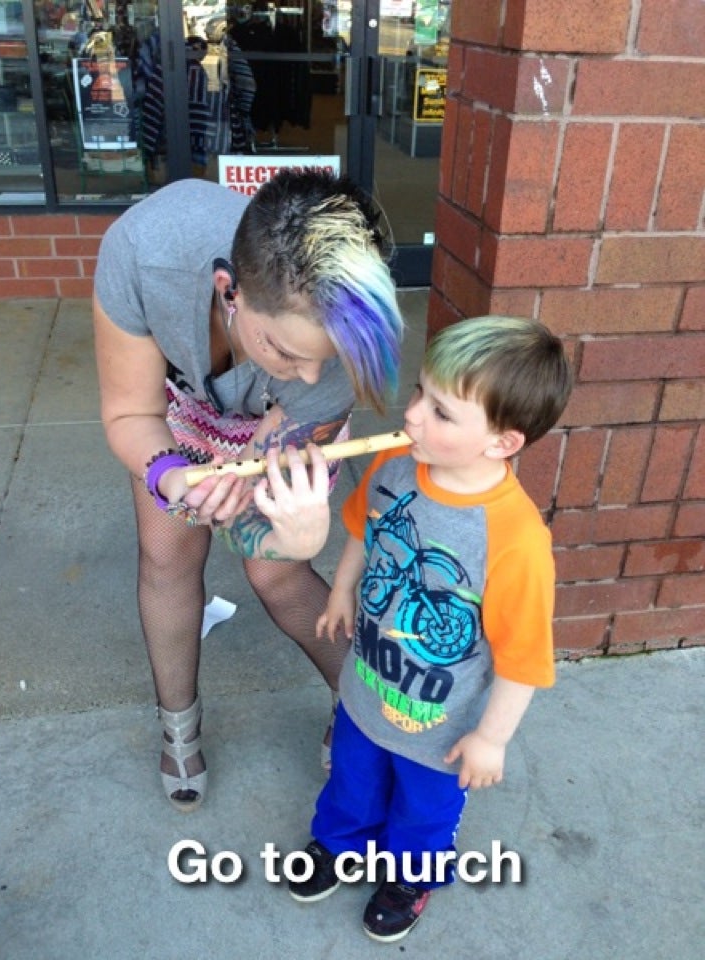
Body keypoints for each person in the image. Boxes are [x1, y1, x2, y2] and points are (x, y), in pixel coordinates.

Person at [93, 169, 403, 813]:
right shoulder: (144, 250)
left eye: (325, 358)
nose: (309, 375)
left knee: (276, 572)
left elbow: (267, 524)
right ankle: (178, 727)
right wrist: (169, 475)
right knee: (167, 556)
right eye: (286, 350)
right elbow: (130, 413)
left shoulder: (337, 357)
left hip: (278, 429)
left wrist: (285, 521)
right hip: (177, 413)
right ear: (228, 290)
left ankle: (364, 712)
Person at [287, 315, 573, 942]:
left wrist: (491, 739)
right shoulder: (395, 462)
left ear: (501, 442)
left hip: (441, 726)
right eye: (420, 391)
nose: (412, 414)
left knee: (423, 811)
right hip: (365, 689)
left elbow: (524, 658)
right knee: (351, 779)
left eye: (441, 412)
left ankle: (409, 877)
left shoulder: (516, 539)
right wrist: (342, 589)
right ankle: (341, 844)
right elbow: (363, 526)